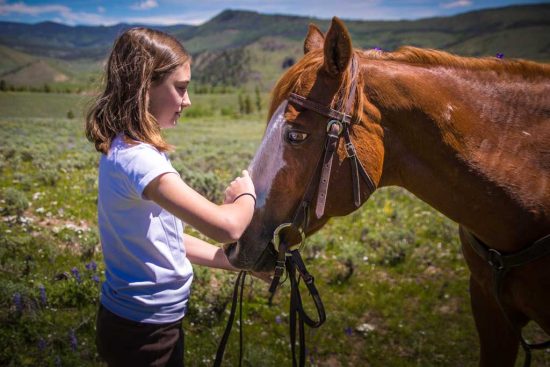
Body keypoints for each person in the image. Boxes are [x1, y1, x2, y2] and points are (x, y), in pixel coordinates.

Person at [85, 27, 259, 367]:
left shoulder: (131, 151)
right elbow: (228, 227)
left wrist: (232, 262)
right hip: (144, 334)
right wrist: (246, 194)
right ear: (144, 85)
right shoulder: (139, 160)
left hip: (142, 325)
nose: (187, 100)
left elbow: (166, 239)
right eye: (180, 88)